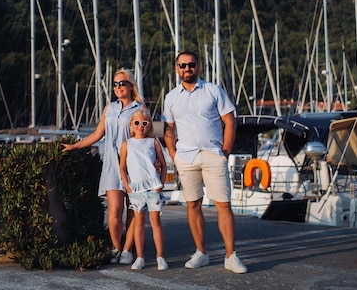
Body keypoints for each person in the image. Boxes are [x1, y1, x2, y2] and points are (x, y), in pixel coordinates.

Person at [162, 51, 248, 274]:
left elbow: (230, 120)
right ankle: (201, 252)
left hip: (213, 154)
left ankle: (231, 256)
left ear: (197, 66)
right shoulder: (171, 97)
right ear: (177, 68)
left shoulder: (213, 90)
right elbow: (169, 128)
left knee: (223, 205)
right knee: (193, 204)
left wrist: (226, 150)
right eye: (182, 66)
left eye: (191, 65)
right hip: (186, 157)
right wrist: (173, 154)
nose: (187, 69)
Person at [62, 68, 143, 265]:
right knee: (114, 210)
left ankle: (127, 250)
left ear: (131, 85)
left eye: (122, 83)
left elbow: (145, 137)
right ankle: (116, 248)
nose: (118, 87)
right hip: (111, 165)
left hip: (133, 164)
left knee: (133, 209)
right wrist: (74, 146)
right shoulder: (110, 108)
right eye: (115, 84)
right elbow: (97, 134)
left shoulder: (140, 109)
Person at [119, 109, 168, 270]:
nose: (141, 126)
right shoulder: (127, 143)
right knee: (138, 223)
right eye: (137, 123)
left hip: (153, 188)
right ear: (132, 125)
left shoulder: (153, 142)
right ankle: (139, 257)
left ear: (149, 126)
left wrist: (161, 183)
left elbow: (164, 163)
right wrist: (128, 187)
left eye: (144, 123)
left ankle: (160, 256)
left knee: (156, 222)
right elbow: (122, 168)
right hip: (136, 190)